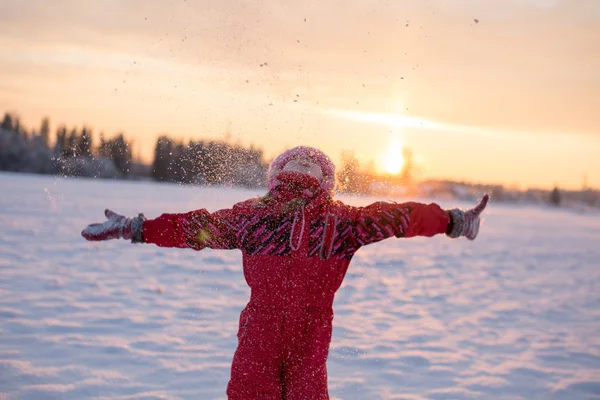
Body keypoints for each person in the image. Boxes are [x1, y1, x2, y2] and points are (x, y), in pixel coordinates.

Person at [82, 146, 489, 399]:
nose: (302, 165)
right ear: (277, 175)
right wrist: (138, 227)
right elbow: (193, 227)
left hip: (309, 333)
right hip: (265, 329)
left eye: (311, 163)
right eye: (294, 161)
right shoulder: (257, 218)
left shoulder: (339, 222)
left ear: (326, 180)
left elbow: (402, 216)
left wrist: (453, 220)